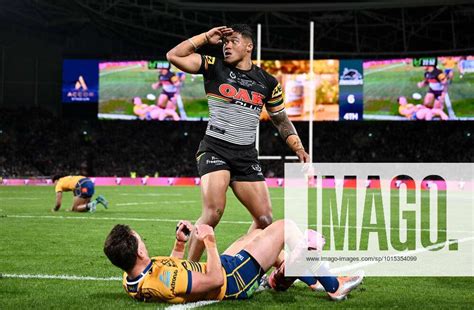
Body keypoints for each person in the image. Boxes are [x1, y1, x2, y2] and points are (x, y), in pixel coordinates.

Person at [166, 24, 311, 261]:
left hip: (245, 156)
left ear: (249, 46)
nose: (226, 46)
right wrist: (205, 37)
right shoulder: (214, 67)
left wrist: (299, 148)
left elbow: (281, 120)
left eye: (233, 41)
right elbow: (174, 56)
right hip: (215, 149)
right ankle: (187, 271)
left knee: (264, 220)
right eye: (224, 42)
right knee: (213, 212)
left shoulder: (268, 82)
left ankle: (245, 262)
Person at [103, 219, 363, 304]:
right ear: (138, 253)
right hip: (231, 280)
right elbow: (215, 281)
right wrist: (210, 242)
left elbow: (174, 269)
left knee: (256, 235)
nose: (144, 242)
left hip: (224, 270)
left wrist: (180, 245)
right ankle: (332, 286)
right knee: (285, 228)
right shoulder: (162, 280)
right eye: (140, 241)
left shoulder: (131, 277)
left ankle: (283, 277)